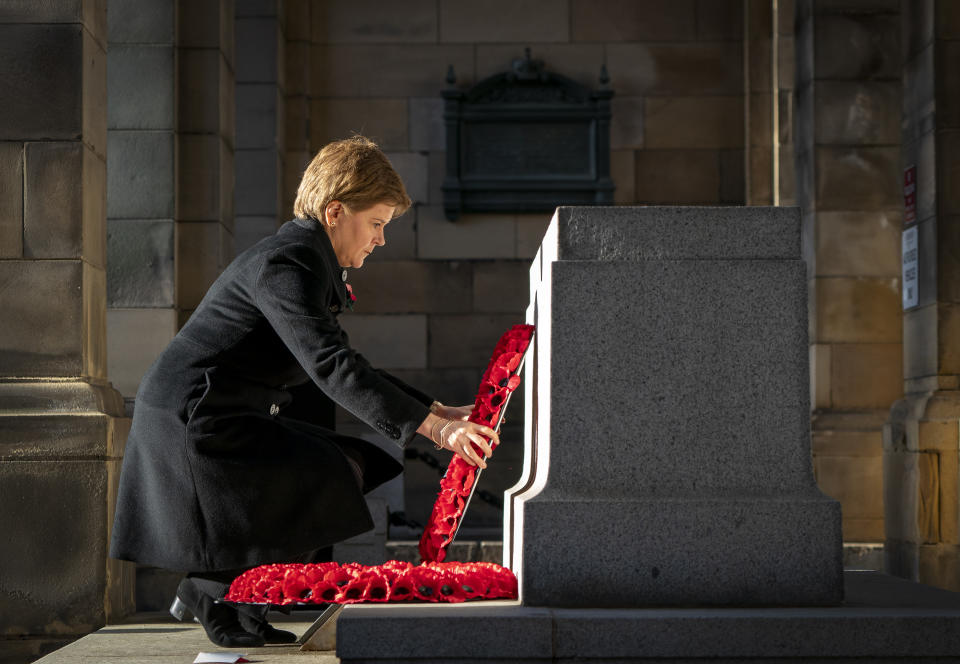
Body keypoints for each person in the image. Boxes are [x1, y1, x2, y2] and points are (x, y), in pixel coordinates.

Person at [109, 136, 500, 647]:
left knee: (339, 463)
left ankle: (242, 601)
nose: (380, 240)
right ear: (335, 211)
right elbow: (330, 364)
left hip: (227, 413)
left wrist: (432, 408)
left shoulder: (306, 259)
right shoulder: (289, 262)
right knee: (327, 470)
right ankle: (211, 591)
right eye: (377, 223)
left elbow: (341, 357)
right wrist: (438, 430)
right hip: (196, 420)